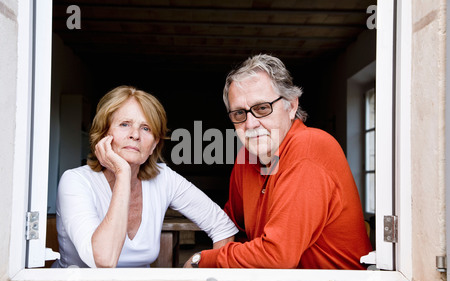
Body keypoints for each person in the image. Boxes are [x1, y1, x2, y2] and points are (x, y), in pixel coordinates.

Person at [184, 54, 372, 269]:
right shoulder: (246, 157)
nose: (251, 124)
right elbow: (231, 227)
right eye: (239, 113)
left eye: (262, 108)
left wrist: (203, 260)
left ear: (291, 106)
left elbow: (277, 256)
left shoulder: (310, 147)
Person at [54, 85, 238, 268]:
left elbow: (222, 226)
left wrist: (204, 266)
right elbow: (104, 260)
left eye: (146, 128)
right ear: (104, 133)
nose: (135, 135)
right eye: (125, 124)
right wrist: (123, 173)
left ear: (154, 144)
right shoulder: (75, 181)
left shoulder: (163, 178)